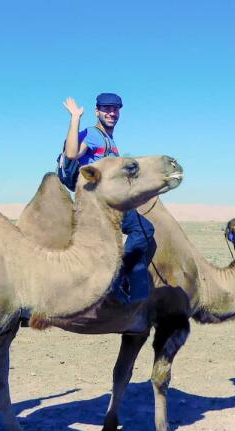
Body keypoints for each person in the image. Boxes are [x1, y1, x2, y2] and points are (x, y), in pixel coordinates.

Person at [62, 93, 155, 304]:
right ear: (97, 111)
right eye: (106, 109)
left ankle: (123, 282)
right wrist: (75, 118)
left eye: (115, 109)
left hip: (111, 199)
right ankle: (117, 279)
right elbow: (71, 153)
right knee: (144, 229)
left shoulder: (110, 140)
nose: (111, 113)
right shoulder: (92, 134)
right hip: (99, 202)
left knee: (143, 229)